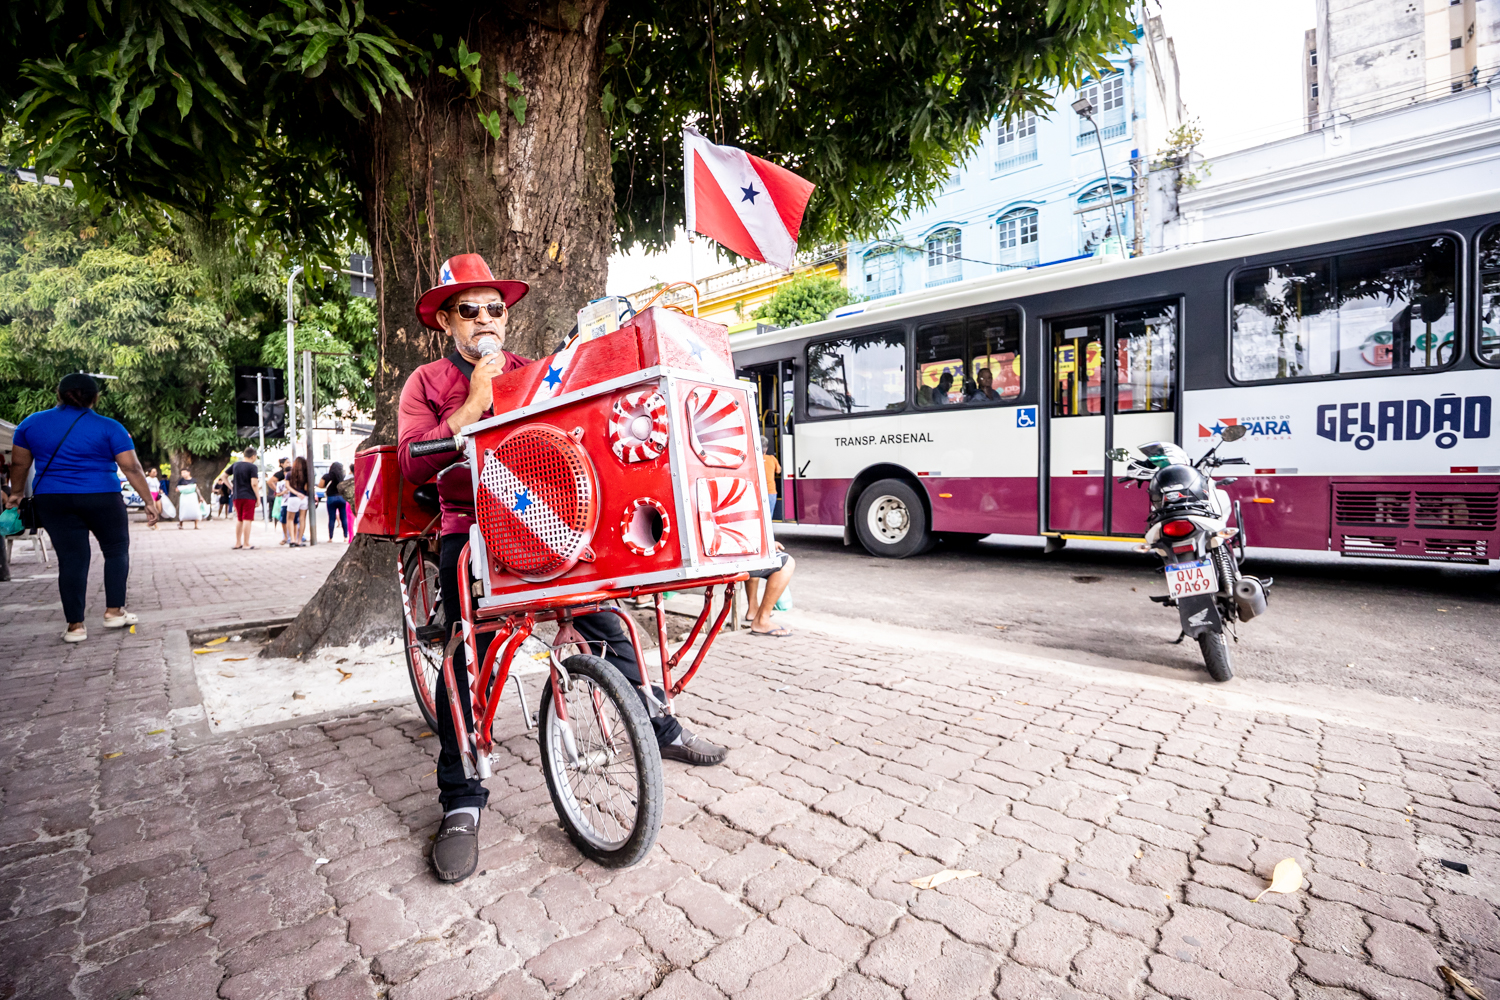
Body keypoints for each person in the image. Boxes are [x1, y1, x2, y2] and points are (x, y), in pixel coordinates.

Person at [398, 253, 730, 884]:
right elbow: (415, 462)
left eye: (495, 308)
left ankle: (652, 721)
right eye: (468, 311)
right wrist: (474, 401)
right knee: (467, 655)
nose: (485, 320)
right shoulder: (426, 383)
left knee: (610, 619)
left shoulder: (539, 372)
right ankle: (462, 801)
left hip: (548, 522)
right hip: (469, 528)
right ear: (446, 321)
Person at [3, 374, 159, 641]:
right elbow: (130, 467)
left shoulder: (30, 424)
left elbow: (20, 465)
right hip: (102, 496)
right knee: (115, 550)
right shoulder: (110, 427)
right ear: (95, 397)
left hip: (53, 499)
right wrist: (148, 500)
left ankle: (75, 627)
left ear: (58, 394)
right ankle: (113, 612)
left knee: (72, 559)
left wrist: (16, 493)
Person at [743, 542, 795, 637]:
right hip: (726, 556)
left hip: (714, 555)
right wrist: (766, 542)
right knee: (787, 563)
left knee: (756, 554)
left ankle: (753, 610)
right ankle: (761, 620)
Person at [230, 446, 261, 550]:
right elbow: (254, 484)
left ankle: (238, 543)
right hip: (248, 496)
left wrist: (231, 487)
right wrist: (258, 497)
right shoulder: (252, 467)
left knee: (239, 519)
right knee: (247, 519)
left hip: (237, 496)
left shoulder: (235, 465)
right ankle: (246, 543)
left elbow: (223, 476)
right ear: (253, 456)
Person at [319, 461, 350, 541]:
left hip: (331, 498)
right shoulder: (343, 476)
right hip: (342, 498)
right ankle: (345, 537)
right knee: (344, 518)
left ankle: (330, 538)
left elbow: (320, 485)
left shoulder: (327, 476)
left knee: (331, 518)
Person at [285, 456, 309, 547]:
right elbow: (306, 488)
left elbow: (287, 486)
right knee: (302, 519)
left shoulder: (290, 474)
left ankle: (292, 540)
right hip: (304, 498)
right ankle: (299, 540)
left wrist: (296, 493)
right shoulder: (306, 475)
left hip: (293, 498)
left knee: (290, 519)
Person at [760, 435, 781, 520]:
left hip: (758, 492)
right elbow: (778, 471)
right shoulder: (772, 459)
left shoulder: (755, 460)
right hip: (770, 491)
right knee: (768, 516)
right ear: (766, 449)